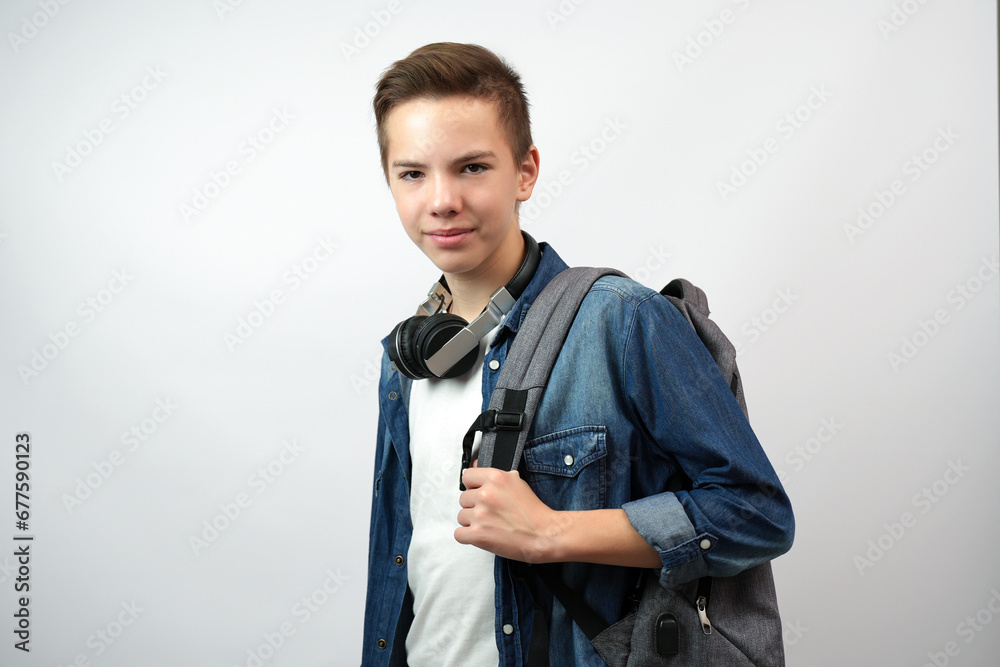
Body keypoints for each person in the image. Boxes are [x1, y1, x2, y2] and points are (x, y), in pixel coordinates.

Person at [362, 42, 794, 666]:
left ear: (526, 171)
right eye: (412, 173)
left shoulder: (621, 320)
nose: (441, 200)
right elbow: (401, 559)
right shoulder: (407, 360)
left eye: (473, 167)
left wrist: (551, 533)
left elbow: (757, 514)